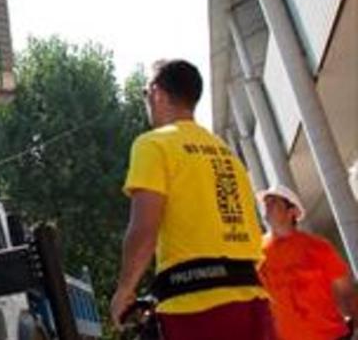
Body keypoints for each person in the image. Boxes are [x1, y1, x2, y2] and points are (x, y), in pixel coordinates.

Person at [110, 59, 274, 338]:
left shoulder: (153, 144)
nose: (146, 100)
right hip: (253, 301)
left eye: (144, 93)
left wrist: (124, 290)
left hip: (196, 306)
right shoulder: (225, 153)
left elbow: (143, 229)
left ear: (157, 93)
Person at [257, 184, 357, 340]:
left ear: (293, 212)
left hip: (330, 336)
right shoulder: (255, 253)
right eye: (265, 203)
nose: (267, 207)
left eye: (274, 202)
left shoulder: (319, 247)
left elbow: (347, 293)